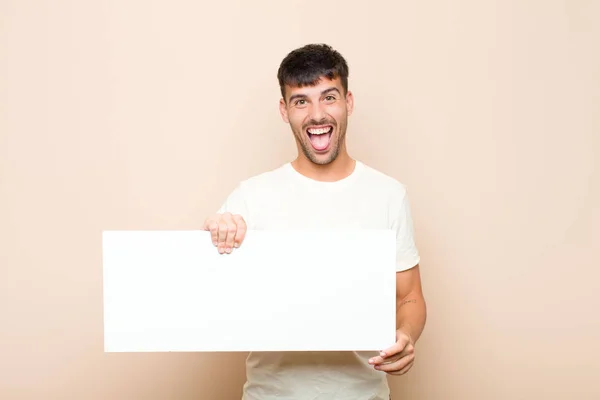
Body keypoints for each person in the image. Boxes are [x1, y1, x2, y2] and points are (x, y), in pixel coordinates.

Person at [202, 43, 427, 400]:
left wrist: (406, 335)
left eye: (329, 97)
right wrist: (216, 235)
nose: (317, 114)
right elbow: (207, 293)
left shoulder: (389, 195)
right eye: (301, 100)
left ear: (348, 102)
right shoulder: (250, 196)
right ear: (284, 110)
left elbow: (409, 295)